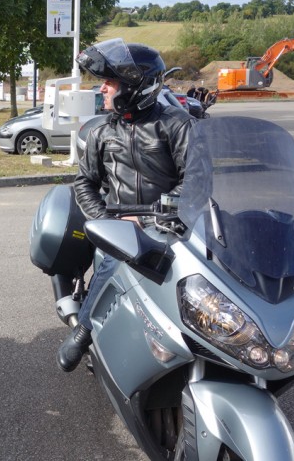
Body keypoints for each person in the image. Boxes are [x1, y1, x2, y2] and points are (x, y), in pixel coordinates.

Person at [57, 38, 195, 372]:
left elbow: (195, 179)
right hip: (118, 225)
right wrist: (109, 223)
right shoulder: (101, 132)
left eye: (109, 82)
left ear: (136, 87)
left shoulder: (175, 125)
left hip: (169, 224)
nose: (101, 89)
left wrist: (164, 211)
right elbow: (84, 183)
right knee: (117, 261)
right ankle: (85, 331)